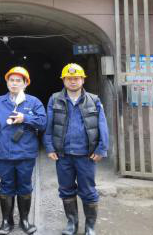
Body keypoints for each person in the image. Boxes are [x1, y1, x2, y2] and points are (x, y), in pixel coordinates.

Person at [44, 63, 109, 235]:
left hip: (86, 155)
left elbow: (102, 125)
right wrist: (49, 147)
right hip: (63, 155)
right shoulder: (55, 99)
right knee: (66, 190)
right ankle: (72, 224)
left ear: (83, 80)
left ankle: (90, 227)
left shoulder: (94, 100)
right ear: (64, 80)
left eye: (76, 78)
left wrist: (101, 148)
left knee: (88, 191)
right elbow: (49, 125)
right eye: (69, 78)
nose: (73, 81)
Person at [0, 66, 46, 235]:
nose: (14, 83)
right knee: (6, 186)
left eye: (18, 81)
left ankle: (24, 220)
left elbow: (43, 123)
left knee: (25, 186)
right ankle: (6, 222)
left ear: (25, 83)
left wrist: (25, 118)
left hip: (25, 152)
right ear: (7, 82)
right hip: (4, 152)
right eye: (11, 80)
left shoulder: (33, 102)